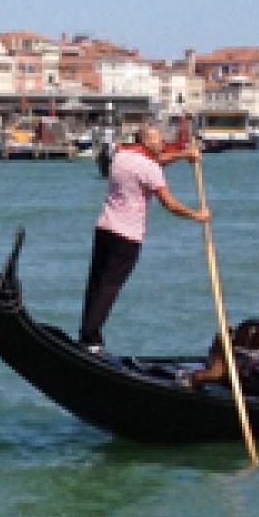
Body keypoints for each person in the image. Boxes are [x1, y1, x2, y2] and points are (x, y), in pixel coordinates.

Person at [78, 120, 209, 350]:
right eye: (159, 140)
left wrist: (184, 154)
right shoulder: (150, 167)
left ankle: (88, 335)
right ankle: (90, 339)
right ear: (147, 141)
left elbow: (156, 161)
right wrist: (197, 215)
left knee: (96, 283)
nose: (163, 143)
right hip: (127, 237)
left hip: (105, 229)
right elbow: (170, 204)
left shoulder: (121, 156)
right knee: (109, 287)